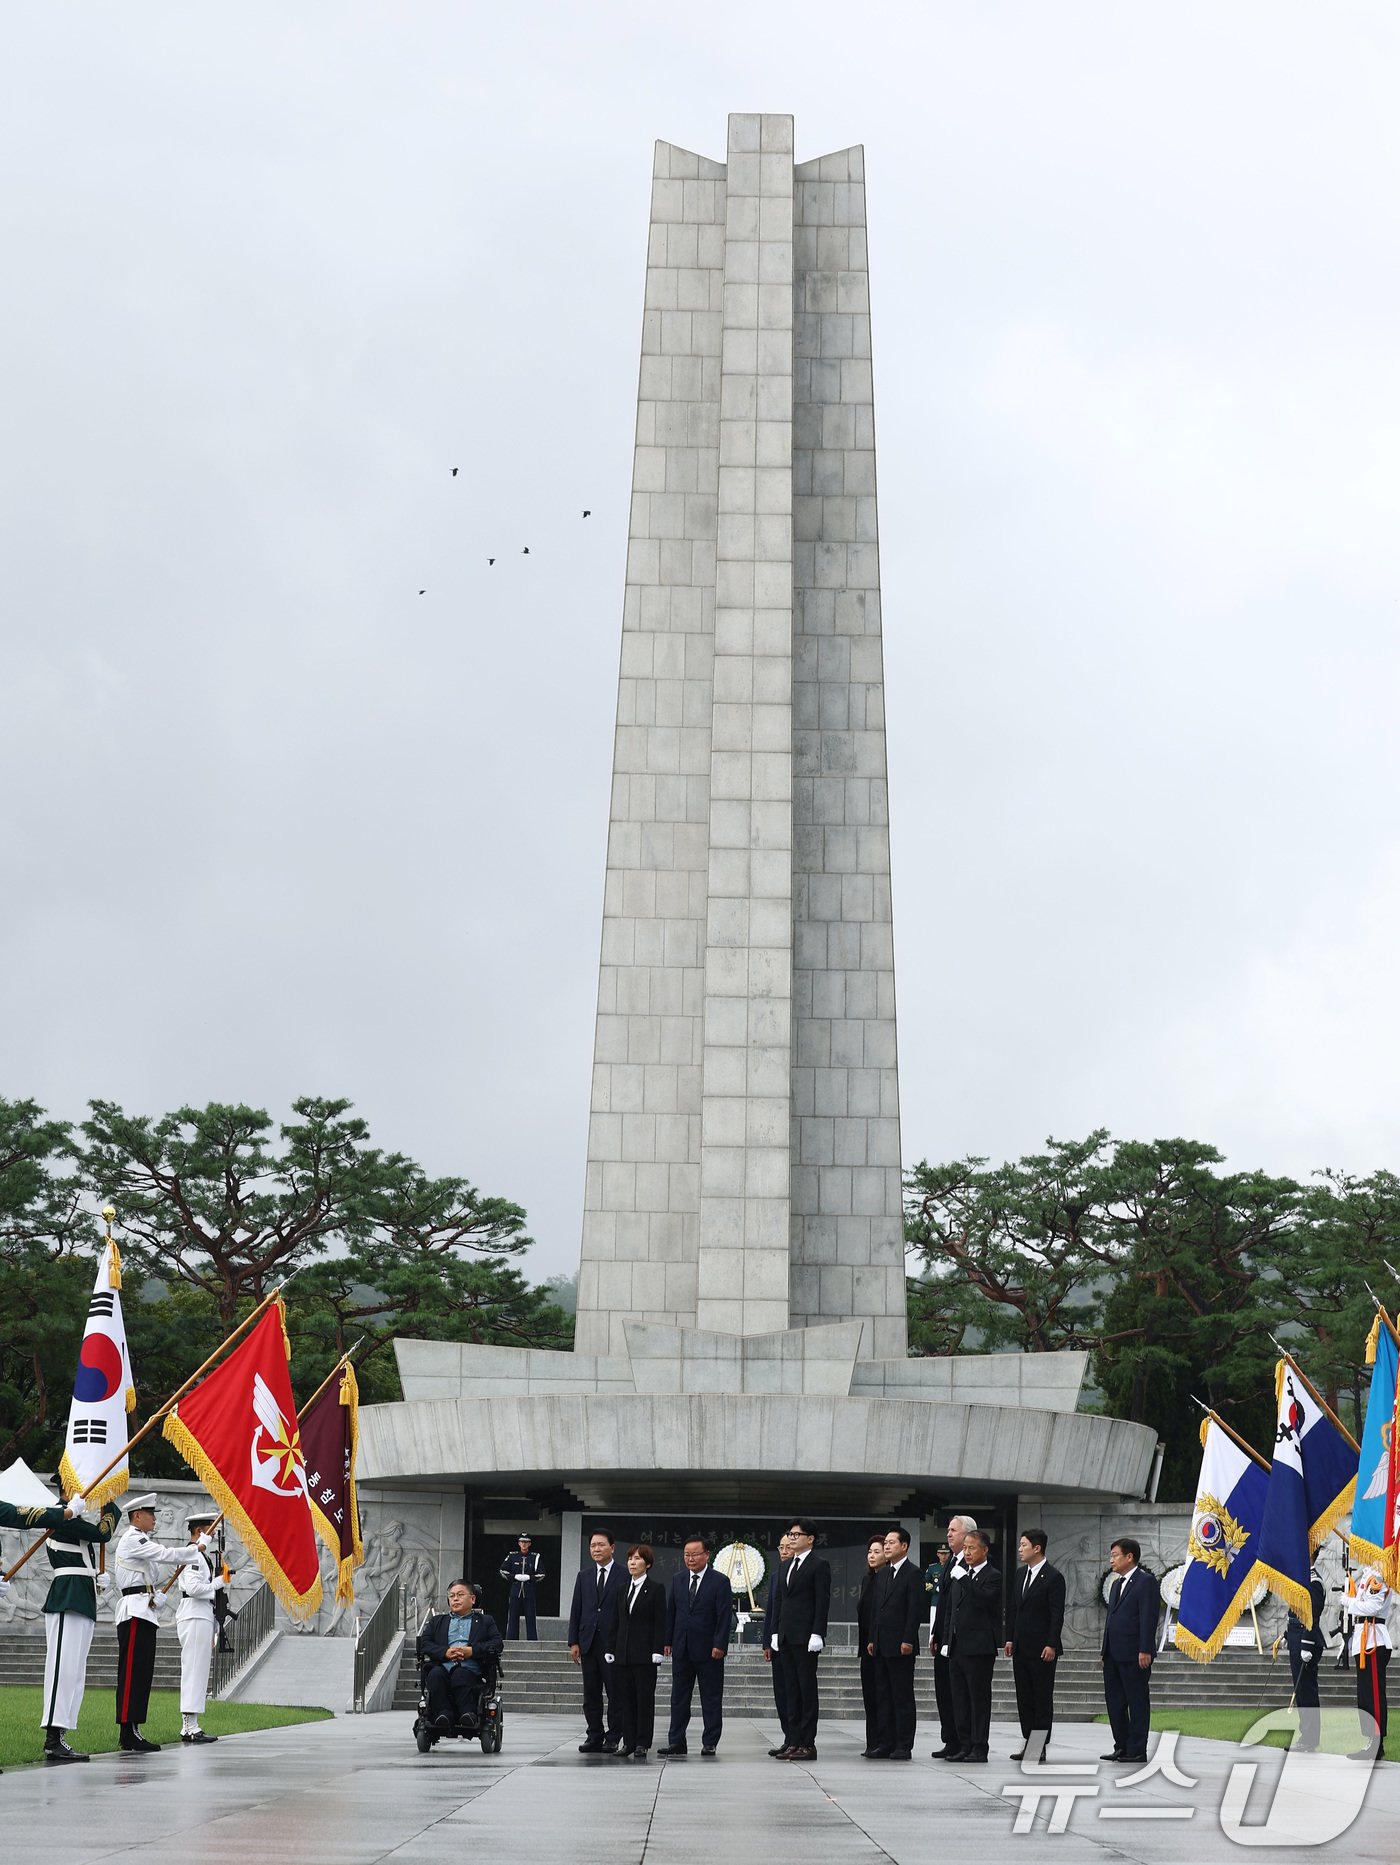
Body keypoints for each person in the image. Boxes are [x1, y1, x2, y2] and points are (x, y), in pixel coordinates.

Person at [1, 1490, 110, 1769]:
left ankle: (59, 1734)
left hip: (81, 1596)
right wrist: (86, 1507)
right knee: (62, 1667)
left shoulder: (72, 1516)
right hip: (67, 1596)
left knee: (74, 1672)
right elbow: (102, 1532)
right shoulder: (66, 1517)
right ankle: (53, 1736)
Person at [113, 1493, 205, 1753]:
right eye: (150, 1514)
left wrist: (156, 1596)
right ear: (137, 1516)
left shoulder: (141, 1540)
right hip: (133, 1612)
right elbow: (166, 1554)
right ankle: (127, 1731)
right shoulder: (132, 1538)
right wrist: (195, 1548)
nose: (154, 1518)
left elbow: (146, 1577)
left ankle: (134, 1729)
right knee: (131, 1674)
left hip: (144, 1610)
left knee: (142, 1675)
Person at [659, 1535, 733, 1757]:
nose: (690, 1559)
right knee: (678, 1697)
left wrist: (719, 1644)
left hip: (709, 1650)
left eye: (695, 1554)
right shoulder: (678, 1579)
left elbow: (723, 1616)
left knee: (710, 1697)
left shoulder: (720, 1581)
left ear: (706, 1555)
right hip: (682, 1648)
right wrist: (668, 1640)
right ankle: (676, 1741)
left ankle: (710, 1741)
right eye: (686, 1555)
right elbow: (672, 1612)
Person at [1004, 1527, 1065, 1762]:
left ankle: (1039, 1746)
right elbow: (1013, 1609)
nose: (1020, 1549)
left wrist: (1051, 1643)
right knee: (1024, 1698)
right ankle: (1029, 1742)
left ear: (1037, 1548)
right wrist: (1010, 1638)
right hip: (1021, 1647)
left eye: (1024, 1545)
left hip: (1042, 1650)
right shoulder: (1020, 1574)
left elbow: (1056, 1614)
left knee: (1041, 1699)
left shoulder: (1053, 1577)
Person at [771, 1518, 830, 1761]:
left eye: (797, 1535)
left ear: (810, 1539)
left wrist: (818, 1632)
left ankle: (808, 1742)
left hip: (806, 1638)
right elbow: (779, 1602)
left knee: (806, 1690)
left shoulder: (819, 1565)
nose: (792, 1538)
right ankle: (793, 1740)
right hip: (785, 1636)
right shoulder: (786, 1566)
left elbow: (822, 1601)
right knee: (790, 1690)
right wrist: (775, 1631)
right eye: (790, 1534)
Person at [1100, 1536, 1159, 1764]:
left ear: (1129, 1557)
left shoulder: (1146, 1582)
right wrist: (1105, 1651)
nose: (1111, 1560)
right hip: (1114, 1654)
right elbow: (1111, 1620)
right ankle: (1121, 1745)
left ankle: (1137, 1749)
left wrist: (1145, 1649)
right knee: (1114, 1701)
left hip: (1135, 1653)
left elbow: (1148, 1617)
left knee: (1136, 1701)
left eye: (1115, 1555)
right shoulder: (1116, 1584)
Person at [945, 1525, 1001, 1764]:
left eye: (971, 1548)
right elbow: (951, 1610)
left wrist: (966, 1580)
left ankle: (979, 1746)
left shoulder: (992, 1575)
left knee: (978, 1699)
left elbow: (984, 1601)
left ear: (984, 1550)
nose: (966, 1553)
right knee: (959, 1699)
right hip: (957, 1645)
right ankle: (964, 1744)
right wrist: (946, 1639)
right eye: (965, 1548)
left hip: (979, 1648)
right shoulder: (960, 1574)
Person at [567, 1528, 626, 1753]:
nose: (596, 1549)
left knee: (615, 1693)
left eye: (601, 1545)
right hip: (588, 1642)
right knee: (590, 1694)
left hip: (613, 1645)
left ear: (612, 1547)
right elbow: (577, 1610)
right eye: (593, 1545)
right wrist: (574, 1642)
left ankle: (613, 1736)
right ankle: (594, 1735)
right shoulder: (584, 1576)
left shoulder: (623, 1575)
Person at [607, 1544, 667, 1760]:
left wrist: (657, 1649)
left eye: (637, 1559)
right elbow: (616, 1620)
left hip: (644, 1655)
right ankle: (628, 1742)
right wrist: (610, 1647)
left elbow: (660, 1622)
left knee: (643, 1700)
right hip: (622, 1654)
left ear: (648, 1564)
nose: (632, 1562)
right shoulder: (622, 1589)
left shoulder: (656, 1589)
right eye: (630, 1558)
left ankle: (642, 1742)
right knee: (625, 1700)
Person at [421, 1578, 504, 1731]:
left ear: (472, 1599)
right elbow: (425, 1644)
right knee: (435, 1675)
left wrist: (472, 1651)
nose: (455, 1599)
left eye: (460, 1595)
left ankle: (468, 1713)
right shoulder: (437, 1621)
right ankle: (443, 1714)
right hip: (443, 1665)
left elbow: (497, 1643)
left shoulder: (485, 1621)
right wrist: (445, 1652)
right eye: (451, 1596)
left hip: (471, 1668)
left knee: (460, 1674)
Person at [175, 1508, 228, 1744]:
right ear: (200, 1531)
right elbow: (194, 1588)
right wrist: (218, 1582)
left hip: (201, 1614)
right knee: (194, 1670)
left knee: (198, 1670)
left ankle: (192, 1723)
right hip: (194, 1614)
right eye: (211, 1530)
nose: (214, 1535)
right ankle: (189, 1726)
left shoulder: (200, 1556)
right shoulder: (194, 1555)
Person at [870, 1526, 923, 1760]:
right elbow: (876, 1610)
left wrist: (908, 1639)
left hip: (901, 1645)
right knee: (883, 1695)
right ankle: (885, 1742)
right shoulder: (882, 1574)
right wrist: (872, 1637)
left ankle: (903, 1744)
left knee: (901, 1696)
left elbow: (914, 1610)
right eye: (886, 1542)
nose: (887, 1546)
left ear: (904, 1546)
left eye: (892, 1542)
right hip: (881, 1644)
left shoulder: (913, 1573)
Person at [929, 1514, 973, 1758]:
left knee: (1037, 1702)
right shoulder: (949, 1563)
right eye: (948, 1530)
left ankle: (1035, 1749)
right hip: (945, 1639)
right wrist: (936, 1635)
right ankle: (952, 1739)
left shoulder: (973, 1565)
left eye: (953, 1530)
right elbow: (944, 1604)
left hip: (966, 1643)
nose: (948, 1534)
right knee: (945, 1693)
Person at [1346, 1564, 1391, 1760]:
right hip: (1364, 1639)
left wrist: (1349, 1602)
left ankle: (1377, 1743)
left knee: (1373, 1695)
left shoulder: (1378, 1576)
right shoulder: (1369, 1575)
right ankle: (1371, 1741)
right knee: (1365, 1695)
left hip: (1373, 1640)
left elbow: (1373, 1607)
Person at [1282, 1566, 1327, 1752]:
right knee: (1300, 1689)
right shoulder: (1301, 1577)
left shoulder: (1314, 1581)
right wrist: (1286, 1634)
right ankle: (1306, 1735)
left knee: (1306, 1689)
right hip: (1295, 1634)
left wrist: (1307, 1643)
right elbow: (1295, 1611)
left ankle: (1309, 1737)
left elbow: (1312, 1615)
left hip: (1305, 1637)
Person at [762, 1533, 794, 1756]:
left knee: (794, 1692)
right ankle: (787, 1736)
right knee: (780, 1692)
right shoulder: (776, 1575)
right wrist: (767, 1641)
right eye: (780, 1547)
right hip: (777, 1643)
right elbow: (771, 1611)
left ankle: (797, 1737)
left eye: (788, 1547)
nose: (783, 1551)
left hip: (795, 1641)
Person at [856, 1534, 887, 1756]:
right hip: (866, 1645)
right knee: (869, 1695)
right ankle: (872, 1741)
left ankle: (884, 1741)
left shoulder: (888, 1578)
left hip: (881, 1644)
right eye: (870, 1552)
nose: (872, 1556)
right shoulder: (868, 1579)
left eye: (877, 1551)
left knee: (882, 1694)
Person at [499, 1532, 545, 1641]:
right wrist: (514, 1577)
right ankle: (511, 1640)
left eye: (526, 1542)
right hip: (515, 1590)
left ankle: (532, 1642)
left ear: (530, 1544)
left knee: (530, 1618)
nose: (524, 1544)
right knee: (512, 1618)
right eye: (522, 1542)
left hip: (529, 1591)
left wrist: (529, 1578)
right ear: (518, 1543)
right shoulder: (512, 1556)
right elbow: (502, 1571)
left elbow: (541, 1574)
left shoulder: (535, 1557)